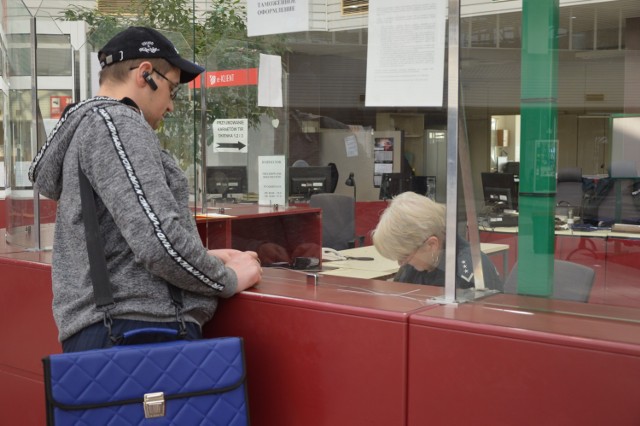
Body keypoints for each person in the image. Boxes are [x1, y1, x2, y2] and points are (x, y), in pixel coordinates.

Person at [28, 27, 262, 352]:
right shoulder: (119, 124)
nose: (171, 106)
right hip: (139, 331)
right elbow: (158, 241)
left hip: (116, 331)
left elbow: (128, 243)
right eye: (173, 90)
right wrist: (228, 278)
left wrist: (200, 257)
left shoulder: (93, 128)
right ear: (145, 74)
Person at [372, 192, 503, 291]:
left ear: (431, 245)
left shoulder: (465, 277)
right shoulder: (417, 265)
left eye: (405, 256)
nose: (401, 264)